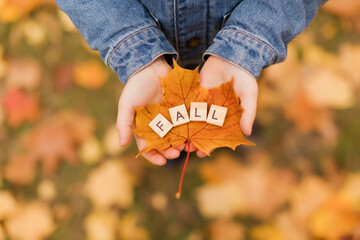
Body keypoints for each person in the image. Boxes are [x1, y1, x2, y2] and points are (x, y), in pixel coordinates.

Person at [56, 0, 327, 165]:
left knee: (241, 99)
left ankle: (227, 133)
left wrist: (247, 45)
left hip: (240, 50)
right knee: (166, 123)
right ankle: (181, 155)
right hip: (155, 46)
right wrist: (136, 54)